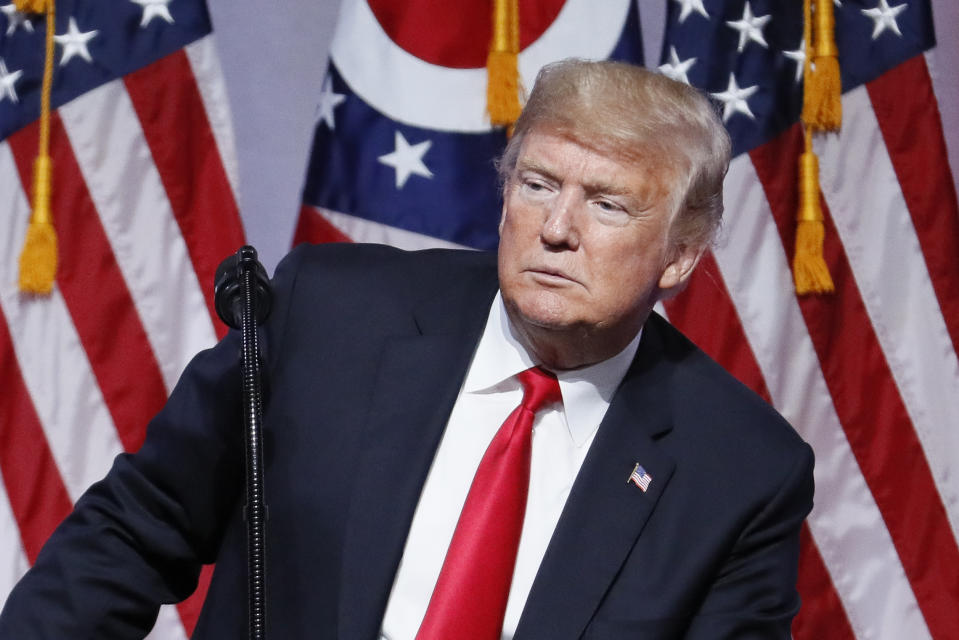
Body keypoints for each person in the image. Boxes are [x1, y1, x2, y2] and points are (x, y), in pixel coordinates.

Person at [0, 59, 813, 639]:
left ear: (679, 254)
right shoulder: (332, 315)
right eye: (536, 185)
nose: (556, 229)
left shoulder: (738, 470)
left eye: (606, 204)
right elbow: (138, 530)